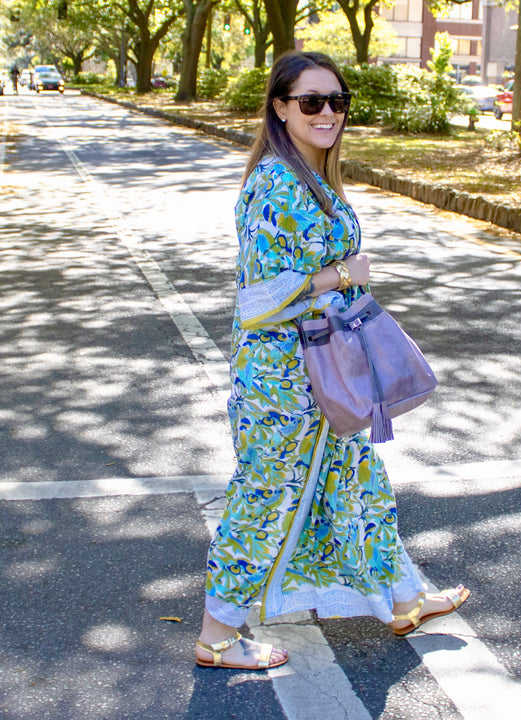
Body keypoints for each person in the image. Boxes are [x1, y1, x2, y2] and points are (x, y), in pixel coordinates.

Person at [195, 51, 470, 671]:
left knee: (359, 482)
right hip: (283, 379)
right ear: (280, 108)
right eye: (311, 102)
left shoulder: (311, 175)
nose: (327, 113)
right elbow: (259, 301)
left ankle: (406, 598)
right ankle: (216, 635)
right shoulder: (276, 182)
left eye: (337, 101)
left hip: (324, 369)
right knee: (264, 497)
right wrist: (345, 273)